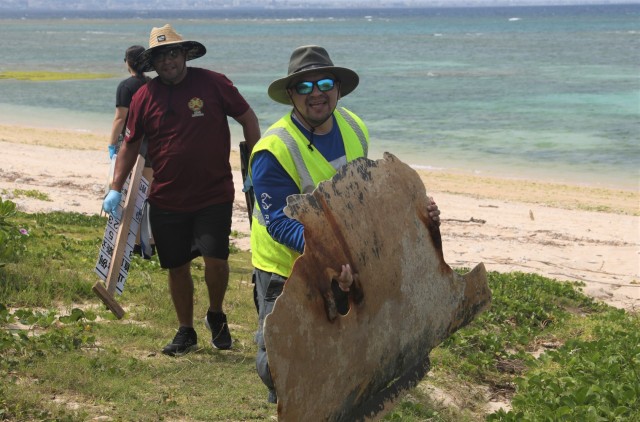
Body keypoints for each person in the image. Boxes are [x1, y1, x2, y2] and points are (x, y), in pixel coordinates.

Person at [248, 45, 440, 403]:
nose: (316, 93)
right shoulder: (273, 150)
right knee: (282, 361)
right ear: (291, 94)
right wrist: (327, 257)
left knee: (337, 338)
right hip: (283, 268)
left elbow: (365, 194)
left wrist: (415, 213)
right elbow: (277, 222)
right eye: (304, 87)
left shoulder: (353, 125)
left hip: (345, 262)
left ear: (337, 87)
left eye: (324, 83)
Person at [102, 24, 261, 357]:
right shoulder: (143, 97)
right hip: (166, 196)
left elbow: (248, 118)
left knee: (216, 260)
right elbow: (130, 145)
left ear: (184, 54)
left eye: (173, 53)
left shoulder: (214, 83)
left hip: (213, 194)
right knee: (176, 266)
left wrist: (254, 165)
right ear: (153, 62)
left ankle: (216, 314)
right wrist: (116, 187)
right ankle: (186, 330)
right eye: (160, 56)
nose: (168, 61)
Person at [108, 45, 154, 258]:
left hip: (132, 143)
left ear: (128, 62)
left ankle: (134, 242)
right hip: (155, 143)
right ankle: (150, 241)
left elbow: (120, 117)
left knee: (130, 194)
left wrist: (111, 145)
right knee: (148, 194)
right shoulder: (153, 84)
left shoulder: (126, 86)